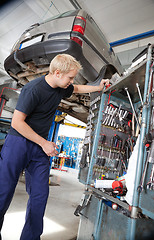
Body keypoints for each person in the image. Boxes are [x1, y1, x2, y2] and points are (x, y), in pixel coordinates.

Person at [0, 54, 109, 240]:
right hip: (18, 143)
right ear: (57, 73)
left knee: (40, 196)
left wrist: (98, 87)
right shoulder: (32, 90)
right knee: (3, 194)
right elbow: (17, 123)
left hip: (39, 148)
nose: (71, 81)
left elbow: (77, 88)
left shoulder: (61, 87)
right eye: (70, 77)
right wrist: (44, 143)